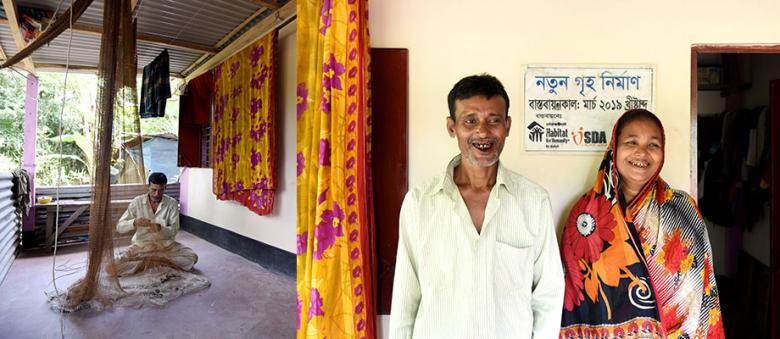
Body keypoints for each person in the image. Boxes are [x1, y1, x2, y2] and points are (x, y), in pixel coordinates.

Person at [390, 74, 564, 338]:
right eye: (470, 121)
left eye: (493, 120)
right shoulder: (420, 203)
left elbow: (548, 298)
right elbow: (405, 297)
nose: (483, 131)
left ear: (507, 125)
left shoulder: (533, 202)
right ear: (452, 127)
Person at [559, 109, 724, 338]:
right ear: (614, 147)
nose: (642, 153)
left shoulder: (682, 209)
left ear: (663, 151)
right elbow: (574, 300)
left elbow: (700, 292)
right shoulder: (585, 216)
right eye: (631, 142)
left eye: (653, 145)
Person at [115, 172, 198, 276]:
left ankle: (149, 262)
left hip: (166, 246)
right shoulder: (137, 202)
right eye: (154, 190)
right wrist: (134, 222)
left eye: (161, 190)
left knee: (191, 257)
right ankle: (156, 263)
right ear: (148, 187)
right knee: (114, 265)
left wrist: (160, 228)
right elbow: (119, 227)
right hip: (142, 245)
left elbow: (174, 230)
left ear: (165, 188)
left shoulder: (171, 203)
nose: (156, 194)